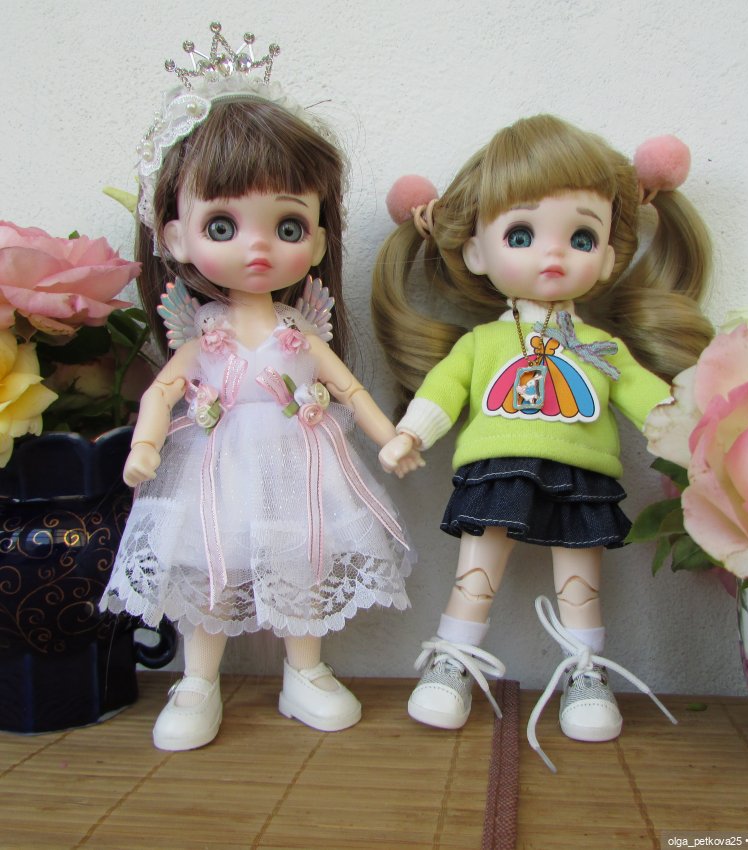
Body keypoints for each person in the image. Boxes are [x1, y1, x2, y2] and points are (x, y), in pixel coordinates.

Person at [102, 23, 418, 751]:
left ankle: (304, 672)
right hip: (215, 464)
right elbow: (161, 392)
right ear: (175, 238)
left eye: (288, 224)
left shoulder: (299, 330)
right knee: (208, 562)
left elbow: (348, 391)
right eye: (222, 224)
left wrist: (391, 438)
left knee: (301, 557)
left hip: (300, 466)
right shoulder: (201, 332)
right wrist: (146, 447)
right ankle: (197, 680)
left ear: (318, 237)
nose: (257, 244)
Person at [372, 114, 712, 765]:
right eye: (521, 235)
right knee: (477, 569)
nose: (552, 255)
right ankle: (453, 658)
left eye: (581, 236)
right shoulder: (483, 343)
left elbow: (648, 398)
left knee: (579, 574)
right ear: (476, 251)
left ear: (608, 255)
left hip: (581, 470)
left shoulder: (600, 346)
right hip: (497, 465)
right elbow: (445, 390)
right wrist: (412, 432)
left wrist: (697, 437)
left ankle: (586, 669)